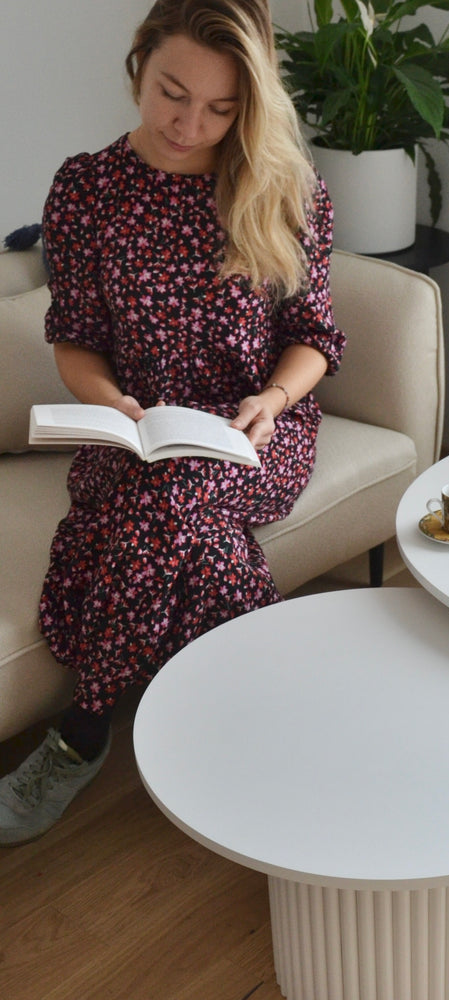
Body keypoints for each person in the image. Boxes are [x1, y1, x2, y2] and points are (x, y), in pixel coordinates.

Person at [0, 0, 345, 846]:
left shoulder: (285, 189)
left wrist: (273, 400)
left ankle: (82, 733)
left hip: (255, 432)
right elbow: (75, 339)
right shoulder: (86, 188)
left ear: (250, 104)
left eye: (222, 108)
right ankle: (270, 730)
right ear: (138, 64)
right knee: (181, 519)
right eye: (172, 93)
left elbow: (314, 339)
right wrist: (111, 402)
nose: (191, 124)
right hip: (136, 431)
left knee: (167, 505)